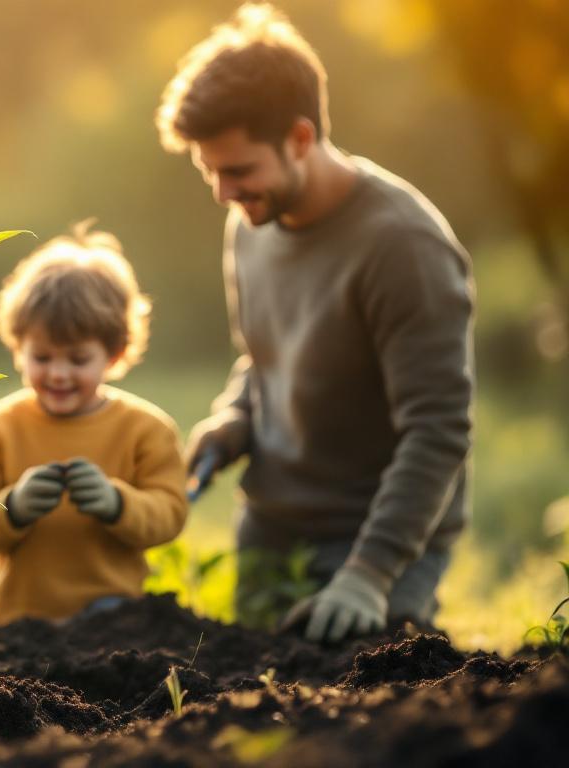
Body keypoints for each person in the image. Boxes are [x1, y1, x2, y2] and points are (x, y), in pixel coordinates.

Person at [156, 4, 474, 642]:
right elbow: (264, 359)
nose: (222, 192)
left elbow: (438, 432)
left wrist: (369, 574)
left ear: (301, 138)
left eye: (238, 170)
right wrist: (235, 418)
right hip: (271, 532)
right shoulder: (252, 223)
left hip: (376, 546)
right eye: (210, 171)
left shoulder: (404, 246)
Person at [0, 224, 188, 625]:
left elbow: (169, 516)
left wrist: (117, 503)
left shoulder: (146, 429)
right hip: (19, 621)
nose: (59, 374)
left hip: (112, 619)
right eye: (42, 358)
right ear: (17, 349)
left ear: (114, 356)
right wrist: (12, 507)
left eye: (78, 360)